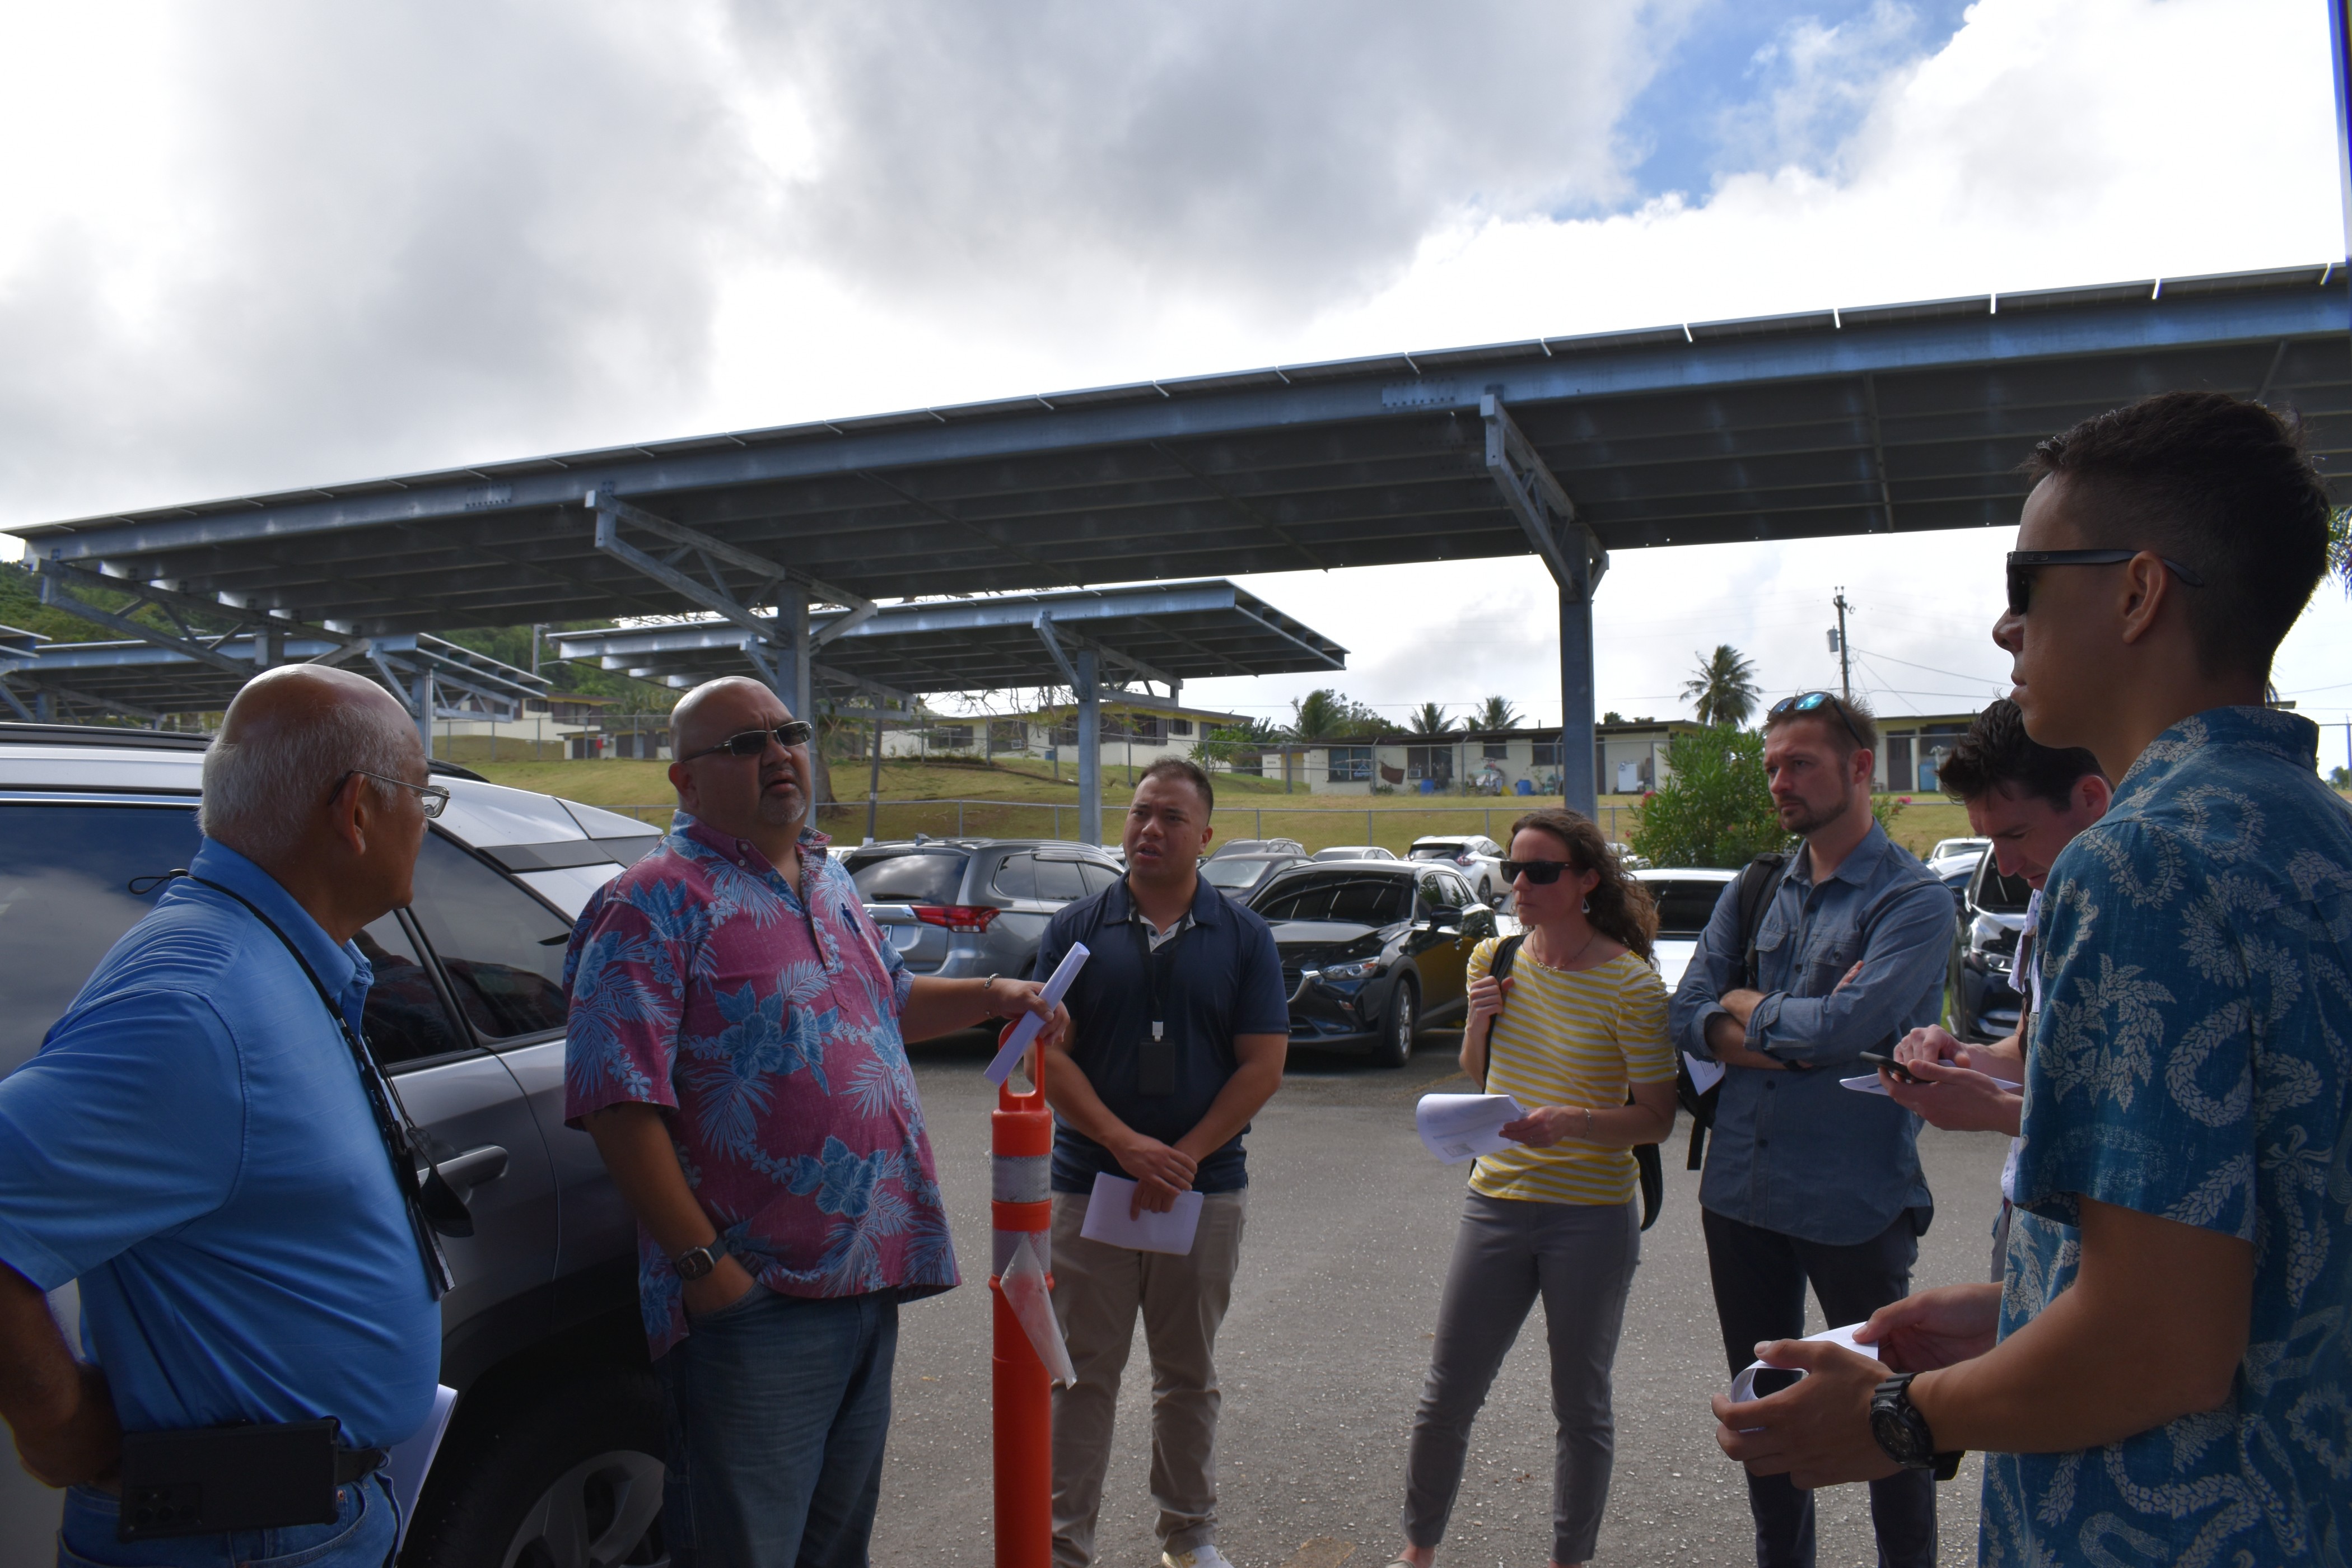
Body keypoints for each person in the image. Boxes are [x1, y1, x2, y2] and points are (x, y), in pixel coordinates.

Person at [1709, 391, 2351, 1567]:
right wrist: (2018, 1313)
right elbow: (2248, 1264)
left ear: (2138, 591)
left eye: (2028, 583)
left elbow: (2160, 1343)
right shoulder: (2316, 836)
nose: (2007, 629)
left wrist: (1894, 1415)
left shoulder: (2138, 860)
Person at [562, 675, 1067, 1568]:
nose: (776, 755)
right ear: (685, 782)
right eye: (744, 745)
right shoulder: (651, 902)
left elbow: (888, 1001)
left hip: (868, 1279)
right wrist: (706, 1270)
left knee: (835, 1552)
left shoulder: (827, 878)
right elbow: (615, 1099)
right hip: (756, 1302)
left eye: (786, 733)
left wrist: (995, 995)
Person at [0, 665, 446, 1567]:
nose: (426, 825)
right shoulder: (199, 1006)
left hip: (294, 1518)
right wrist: (57, 1421)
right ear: (358, 810)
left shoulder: (265, 957)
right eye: (423, 797)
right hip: (242, 1537)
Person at [1668, 690, 1956, 1568]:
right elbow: (1685, 1013)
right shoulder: (1759, 887)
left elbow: (1844, 1036)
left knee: (1889, 1419)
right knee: (1764, 1411)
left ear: (1860, 769)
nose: (1780, 783)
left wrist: (1749, 1011)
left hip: (1854, 1204)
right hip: (1740, 1196)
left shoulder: (1914, 901)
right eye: (1771, 767)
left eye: (1801, 764)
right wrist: (1794, 1030)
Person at [1388, 809, 1677, 1568]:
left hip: (1590, 1216)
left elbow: (1655, 1120)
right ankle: (1418, 1551)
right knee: (1446, 1395)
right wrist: (1479, 1023)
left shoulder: (1632, 984)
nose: (1521, 883)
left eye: (1541, 871)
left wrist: (1574, 1124)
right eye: (1516, 868)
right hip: (1497, 1203)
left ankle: (1568, 1559)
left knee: (1581, 1407)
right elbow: (1479, 1077)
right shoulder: (1498, 957)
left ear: (1586, 882)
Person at [1034, 757, 1287, 1568]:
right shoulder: (1076, 930)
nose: (1150, 828)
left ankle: (1190, 1534)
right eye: (1141, 812)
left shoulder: (1243, 936)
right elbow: (1044, 1058)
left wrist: (1182, 1155)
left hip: (1203, 1191)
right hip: (1089, 1186)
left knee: (1187, 1374)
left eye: (1172, 817)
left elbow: (1263, 1063)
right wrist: (1122, 1142)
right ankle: (1063, 1544)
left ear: (1204, 836)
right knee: (1078, 1375)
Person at [1878, 699, 2108, 1278]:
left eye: (2017, 834)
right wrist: (1963, 1056)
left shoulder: (2141, 909)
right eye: (1987, 838)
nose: (2003, 866)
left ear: (2091, 798)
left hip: (2110, 1225)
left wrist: (1996, 1109)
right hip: (2028, 1205)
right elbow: (2030, 1053)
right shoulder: (2045, 896)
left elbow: (2134, 1125)